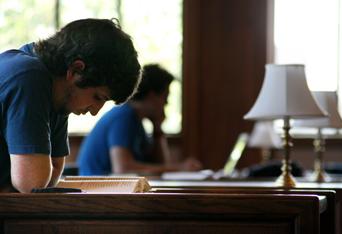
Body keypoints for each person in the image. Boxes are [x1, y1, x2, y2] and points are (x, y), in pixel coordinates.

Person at [0, 18, 141, 193]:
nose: (95, 112)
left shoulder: (60, 93)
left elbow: (52, 173)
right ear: (76, 70)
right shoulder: (29, 76)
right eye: (98, 97)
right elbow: (32, 183)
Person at [78, 64, 202, 176]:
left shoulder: (137, 121)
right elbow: (123, 169)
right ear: (152, 96)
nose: (166, 103)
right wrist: (179, 168)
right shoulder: (123, 116)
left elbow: (159, 164)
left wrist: (157, 127)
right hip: (96, 193)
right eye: (165, 98)